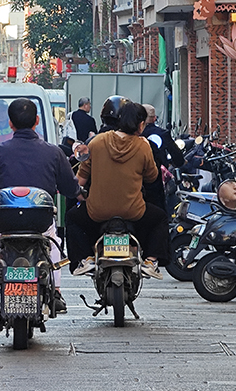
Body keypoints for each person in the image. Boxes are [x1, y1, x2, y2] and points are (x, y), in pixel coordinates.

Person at [0, 99, 82, 313]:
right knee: (53, 242)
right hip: (40, 220)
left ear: (11, 124)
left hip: (6, 222)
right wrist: (79, 193)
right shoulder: (54, 152)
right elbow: (70, 187)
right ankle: (56, 291)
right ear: (37, 121)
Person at [65, 99, 168, 279]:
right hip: (134, 211)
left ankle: (86, 259)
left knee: (72, 218)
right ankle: (150, 261)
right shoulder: (143, 145)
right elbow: (152, 177)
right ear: (141, 124)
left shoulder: (96, 142)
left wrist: (80, 194)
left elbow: (80, 179)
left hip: (96, 212)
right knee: (160, 218)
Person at [141, 104, 185, 212]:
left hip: (136, 178)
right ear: (154, 118)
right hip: (157, 179)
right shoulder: (163, 133)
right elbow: (177, 157)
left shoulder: (135, 135)